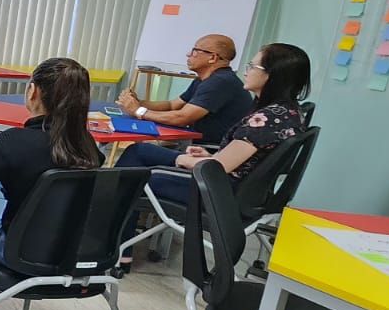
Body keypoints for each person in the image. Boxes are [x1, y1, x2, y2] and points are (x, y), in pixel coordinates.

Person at [117, 43, 311, 245]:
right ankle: (118, 242)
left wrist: (184, 160)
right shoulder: (288, 112)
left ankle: (114, 245)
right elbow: (248, 160)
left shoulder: (264, 120)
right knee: (138, 151)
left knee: (128, 179)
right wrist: (211, 156)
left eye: (252, 66)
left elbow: (218, 168)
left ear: (273, 75)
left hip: (217, 193)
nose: (246, 71)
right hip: (239, 188)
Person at [0, 59, 103, 300]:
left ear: (33, 91)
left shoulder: (14, 142)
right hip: (76, 257)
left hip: (20, 254)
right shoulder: (89, 147)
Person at [115, 33, 253, 149]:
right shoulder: (205, 79)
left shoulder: (220, 82)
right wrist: (137, 102)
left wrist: (138, 111)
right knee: (143, 149)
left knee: (137, 151)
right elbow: (172, 105)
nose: (188, 54)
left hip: (210, 151)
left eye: (195, 51)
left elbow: (181, 118)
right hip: (193, 143)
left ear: (213, 58)